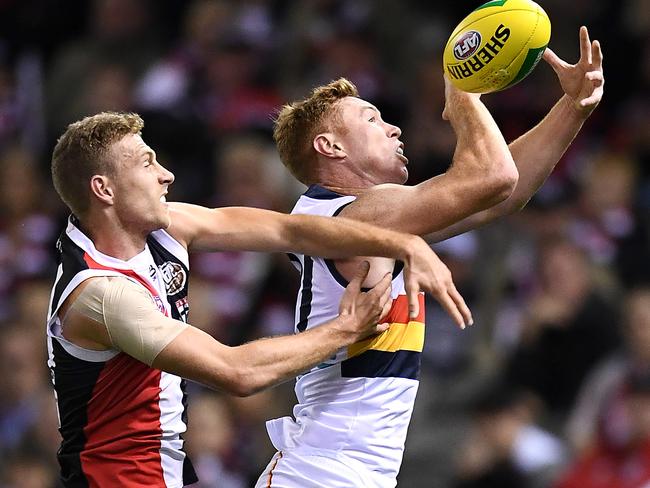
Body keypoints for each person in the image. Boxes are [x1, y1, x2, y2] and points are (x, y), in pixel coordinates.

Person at [46, 111, 472, 487]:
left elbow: (290, 231)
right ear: (104, 189)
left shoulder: (168, 227)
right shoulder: (99, 293)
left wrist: (404, 244)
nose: (166, 174)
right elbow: (236, 372)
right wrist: (347, 327)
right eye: (146, 163)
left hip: (161, 472)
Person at [257, 27, 604, 487]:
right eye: (371, 120)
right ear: (331, 147)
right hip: (324, 471)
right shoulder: (355, 214)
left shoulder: (374, 219)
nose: (393, 127)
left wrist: (572, 107)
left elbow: (503, 193)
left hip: (337, 469)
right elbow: (493, 178)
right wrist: (461, 90)